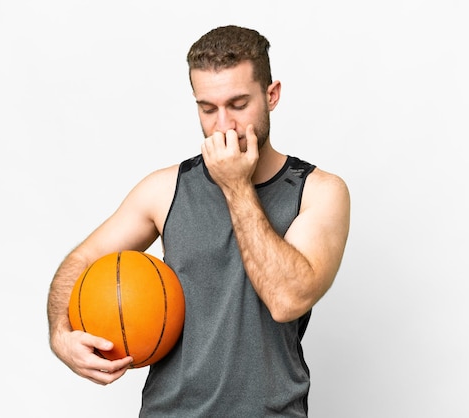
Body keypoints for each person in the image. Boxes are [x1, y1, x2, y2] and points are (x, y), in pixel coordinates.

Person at [47, 25, 350, 417]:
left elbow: (286, 299)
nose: (223, 125)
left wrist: (236, 186)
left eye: (239, 104)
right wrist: (60, 332)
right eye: (208, 109)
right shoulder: (164, 189)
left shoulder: (319, 191)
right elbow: (82, 261)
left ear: (271, 95)